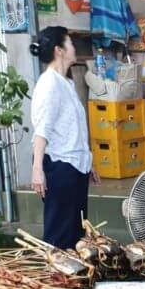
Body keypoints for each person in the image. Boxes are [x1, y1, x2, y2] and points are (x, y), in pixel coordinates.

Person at [29, 26, 97, 250]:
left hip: (74, 166)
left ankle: (74, 279)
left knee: (77, 231)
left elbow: (73, 128)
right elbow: (42, 129)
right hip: (59, 167)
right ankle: (56, 279)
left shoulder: (65, 82)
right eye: (70, 43)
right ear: (59, 50)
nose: (74, 47)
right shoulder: (49, 83)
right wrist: (37, 169)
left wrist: (87, 160)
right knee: (60, 233)